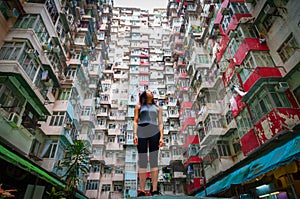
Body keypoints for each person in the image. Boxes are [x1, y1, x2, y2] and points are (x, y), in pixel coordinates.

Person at [133, 90, 164, 197]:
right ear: (145, 95)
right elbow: (135, 121)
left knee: (154, 160)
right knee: (142, 161)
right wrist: (135, 134)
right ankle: (142, 190)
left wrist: (162, 137)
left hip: (154, 130)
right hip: (142, 130)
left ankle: (154, 190)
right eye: (149, 91)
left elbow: (160, 123)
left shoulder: (158, 108)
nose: (151, 92)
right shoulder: (138, 107)